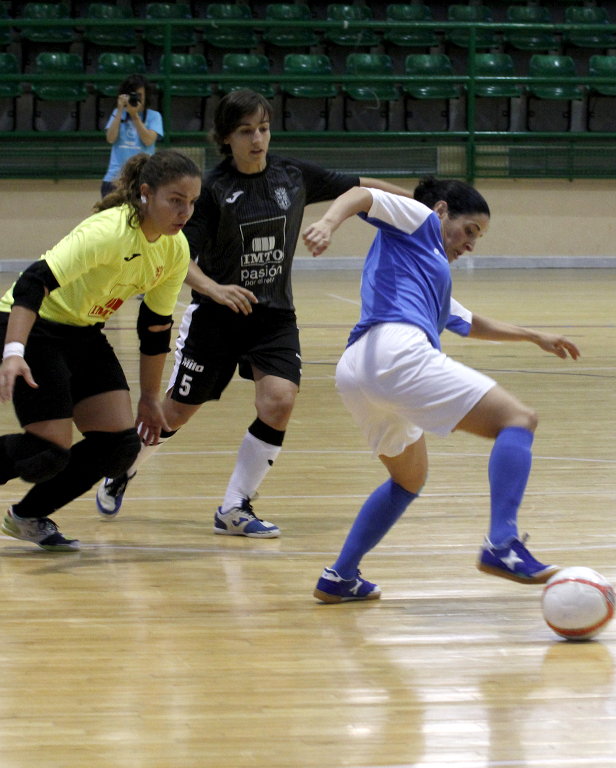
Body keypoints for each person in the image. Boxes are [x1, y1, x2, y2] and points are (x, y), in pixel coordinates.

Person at [95, 89, 412, 538]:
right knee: (174, 414)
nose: (257, 139)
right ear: (226, 138)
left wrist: (421, 206)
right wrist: (214, 288)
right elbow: (176, 256)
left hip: (273, 316)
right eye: (246, 131)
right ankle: (122, 468)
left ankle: (234, 507)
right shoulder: (211, 191)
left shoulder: (292, 175)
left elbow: (362, 188)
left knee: (279, 401)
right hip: (216, 319)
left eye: (263, 128)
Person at [302, 177, 580, 602]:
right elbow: (363, 196)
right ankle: (502, 543)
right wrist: (327, 222)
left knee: (408, 480)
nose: (471, 244)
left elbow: (467, 322)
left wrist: (532, 335)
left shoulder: (426, 268)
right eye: (469, 230)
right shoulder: (421, 220)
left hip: (357, 370)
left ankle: (340, 576)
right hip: (394, 352)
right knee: (519, 419)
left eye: (478, 237)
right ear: (443, 210)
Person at [0, 150, 201, 551]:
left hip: (83, 333)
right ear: (146, 194)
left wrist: (149, 398)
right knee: (46, 453)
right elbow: (32, 281)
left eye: (192, 202)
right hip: (35, 325)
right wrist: (13, 351)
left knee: (120, 446)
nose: (185, 212)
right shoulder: (110, 232)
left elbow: (155, 328)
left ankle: (27, 517)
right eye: (175, 200)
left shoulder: (175, 249)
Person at [102, 75, 163, 200]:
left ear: (146, 96)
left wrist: (135, 116)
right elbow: (110, 138)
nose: (136, 98)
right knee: (115, 212)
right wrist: (120, 110)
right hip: (115, 179)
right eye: (132, 95)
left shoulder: (154, 116)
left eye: (139, 95)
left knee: (142, 210)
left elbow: (148, 140)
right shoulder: (117, 113)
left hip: (143, 181)